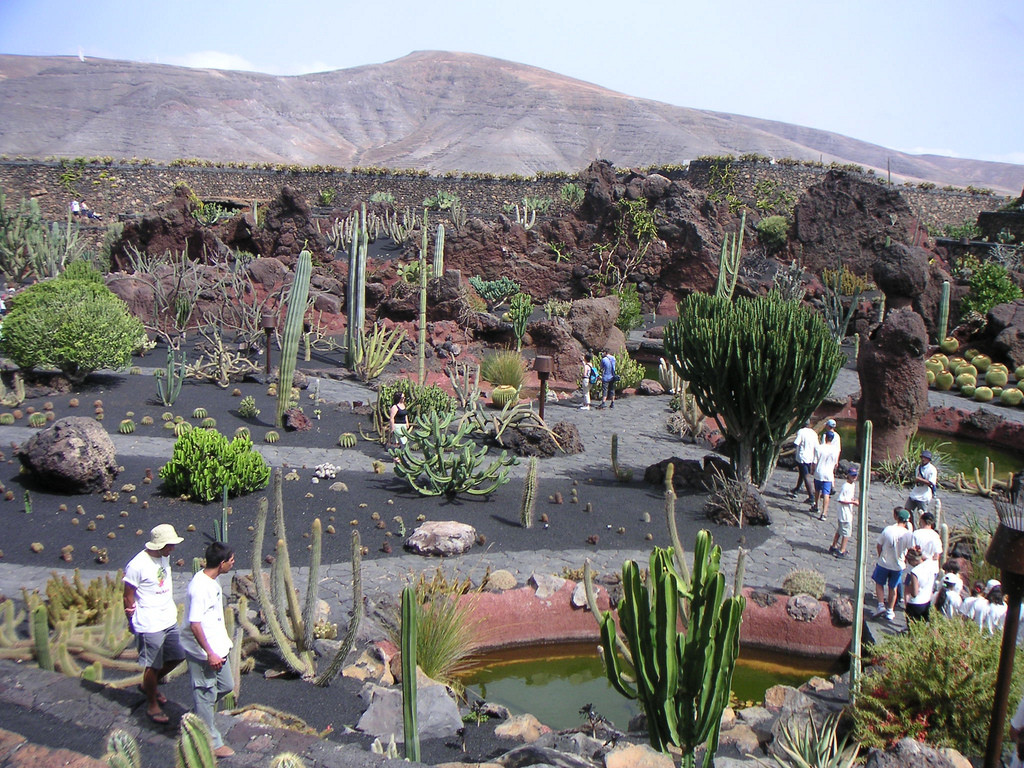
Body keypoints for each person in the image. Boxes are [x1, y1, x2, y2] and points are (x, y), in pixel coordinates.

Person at [123, 524, 186, 724]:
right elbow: (127, 596)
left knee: (178, 655)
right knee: (152, 664)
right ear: (158, 545)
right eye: (169, 545)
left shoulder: (164, 556)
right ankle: (151, 704)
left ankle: (149, 685)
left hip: (168, 618)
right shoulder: (137, 565)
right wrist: (131, 621)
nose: (172, 549)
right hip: (149, 623)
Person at [181, 542, 237, 758]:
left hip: (218, 647)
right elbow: (195, 623)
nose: (233, 564)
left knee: (225, 685)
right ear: (222, 563)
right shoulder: (200, 588)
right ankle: (210, 742)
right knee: (205, 692)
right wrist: (209, 653)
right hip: (203, 653)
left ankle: (200, 717)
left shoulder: (211, 581)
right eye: (231, 560)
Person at [872, 507, 913, 622]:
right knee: (893, 587)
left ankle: (880, 605)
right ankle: (890, 610)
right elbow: (910, 550)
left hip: (884, 563)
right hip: (898, 565)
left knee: (879, 584)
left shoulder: (888, 529)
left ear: (896, 517)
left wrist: (880, 556)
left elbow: (879, 544)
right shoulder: (908, 534)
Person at [829, 465, 858, 558]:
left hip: (846, 512)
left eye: (855, 475)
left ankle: (834, 545)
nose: (854, 477)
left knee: (840, 530)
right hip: (845, 514)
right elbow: (841, 499)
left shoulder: (852, 485)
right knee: (846, 533)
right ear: (848, 475)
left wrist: (853, 499)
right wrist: (853, 502)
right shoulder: (846, 486)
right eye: (852, 475)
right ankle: (842, 550)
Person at [812, 430, 840, 521]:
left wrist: (813, 470)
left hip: (819, 472)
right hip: (828, 474)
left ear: (825, 437)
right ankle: (824, 513)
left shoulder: (819, 448)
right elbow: (836, 464)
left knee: (817, 490)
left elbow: (815, 461)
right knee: (826, 493)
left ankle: (816, 505)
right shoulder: (835, 450)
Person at [903, 547, 935, 623]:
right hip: (927, 601)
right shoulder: (930, 565)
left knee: (912, 629)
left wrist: (909, 586)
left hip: (915, 604)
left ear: (913, 560)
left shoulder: (915, 572)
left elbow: (914, 593)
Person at [788, 419, 817, 504]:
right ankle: (796, 489)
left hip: (802, 457)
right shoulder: (813, 433)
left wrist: (785, 445)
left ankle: (811, 496)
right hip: (810, 457)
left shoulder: (801, 431)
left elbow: (796, 443)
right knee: (802, 474)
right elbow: (816, 446)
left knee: (806, 476)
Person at [905, 450, 938, 521]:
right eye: (922, 457)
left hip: (924, 495)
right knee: (907, 509)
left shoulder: (932, 469)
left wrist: (920, 480)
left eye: (925, 458)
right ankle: (911, 527)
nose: (923, 459)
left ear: (929, 460)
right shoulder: (918, 467)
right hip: (915, 493)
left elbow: (931, 482)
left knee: (923, 515)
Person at [909, 512, 943, 578]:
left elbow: (912, 550)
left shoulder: (916, 533)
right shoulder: (935, 535)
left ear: (922, 521)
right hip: (932, 569)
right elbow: (936, 556)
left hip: (918, 568)